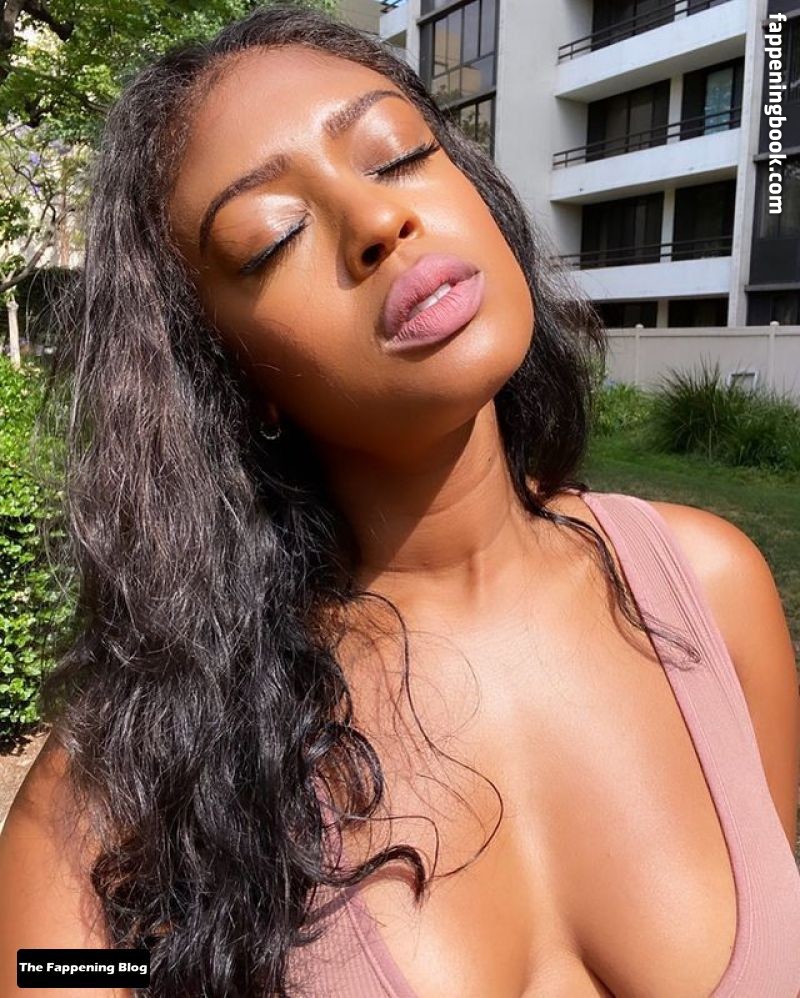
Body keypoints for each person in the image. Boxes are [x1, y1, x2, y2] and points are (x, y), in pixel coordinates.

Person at [1, 5, 799, 997]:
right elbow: (54, 969)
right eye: (271, 239)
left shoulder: (709, 593)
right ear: (228, 372)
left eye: (399, 155)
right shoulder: (136, 766)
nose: (380, 223)